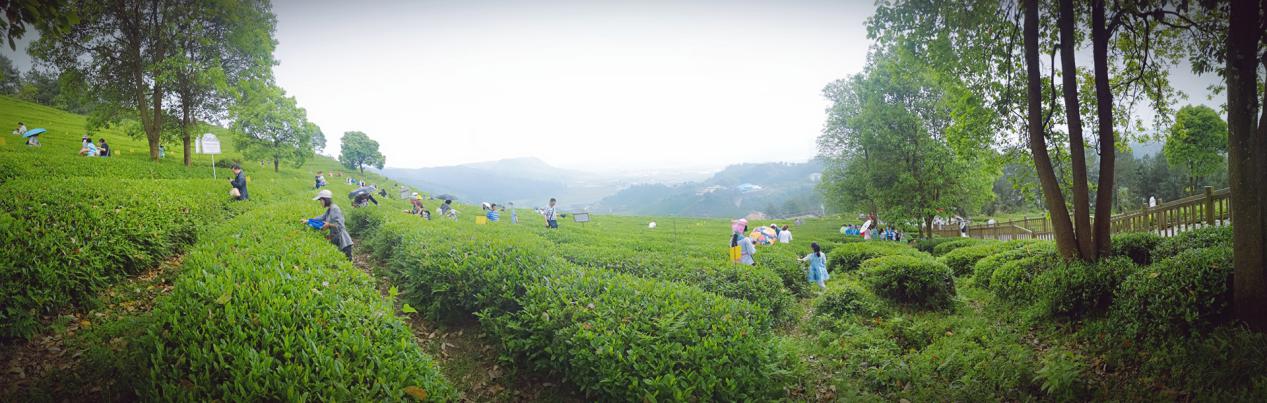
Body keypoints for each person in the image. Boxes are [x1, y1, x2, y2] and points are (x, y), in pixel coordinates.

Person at [306, 189, 354, 260]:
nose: (320, 202)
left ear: (325, 200)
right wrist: (308, 221)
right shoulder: (329, 209)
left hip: (344, 241)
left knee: (348, 260)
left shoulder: (335, 209)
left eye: (321, 200)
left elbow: (340, 225)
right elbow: (321, 218)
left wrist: (329, 225)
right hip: (336, 238)